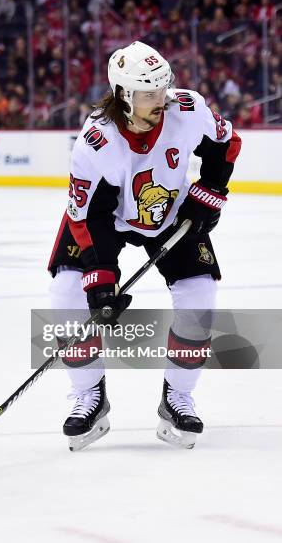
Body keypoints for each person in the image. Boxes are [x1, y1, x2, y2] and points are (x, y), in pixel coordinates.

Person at [48, 41, 241, 451]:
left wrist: (209, 193)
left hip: (167, 211)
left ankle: (178, 397)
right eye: (149, 93)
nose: (161, 99)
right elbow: (87, 217)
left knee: (200, 295)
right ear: (123, 95)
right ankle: (89, 395)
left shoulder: (186, 110)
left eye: (162, 87)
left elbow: (226, 143)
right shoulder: (95, 142)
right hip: (105, 219)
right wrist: (101, 280)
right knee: (66, 292)